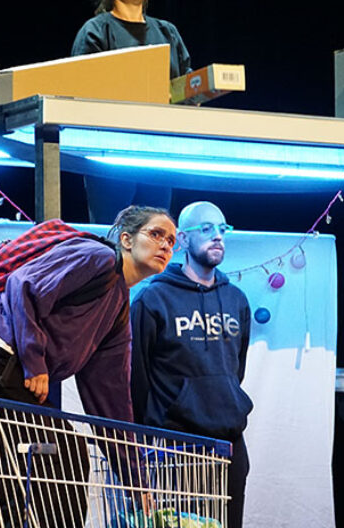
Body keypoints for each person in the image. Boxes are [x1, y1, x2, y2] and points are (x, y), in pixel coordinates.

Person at [0, 206, 175, 528]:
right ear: (126, 238)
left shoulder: (118, 307)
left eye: (172, 240)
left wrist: (135, 480)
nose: (165, 244)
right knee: (64, 453)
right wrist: (34, 361)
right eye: (156, 234)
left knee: (20, 467)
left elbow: (111, 399)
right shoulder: (98, 256)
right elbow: (23, 284)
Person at [130, 201, 253, 528]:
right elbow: (137, 379)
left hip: (229, 446)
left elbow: (235, 370)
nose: (217, 237)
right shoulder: (152, 299)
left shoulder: (237, 300)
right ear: (182, 240)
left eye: (222, 229)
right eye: (206, 229)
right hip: (177, 449)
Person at [71, 0, 192, 223]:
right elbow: (78, 93)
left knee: (154, 236)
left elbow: (185, 87)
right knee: (112, 236)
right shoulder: (96, 32)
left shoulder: (167, 32)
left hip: (157, 152)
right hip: (110, 154)